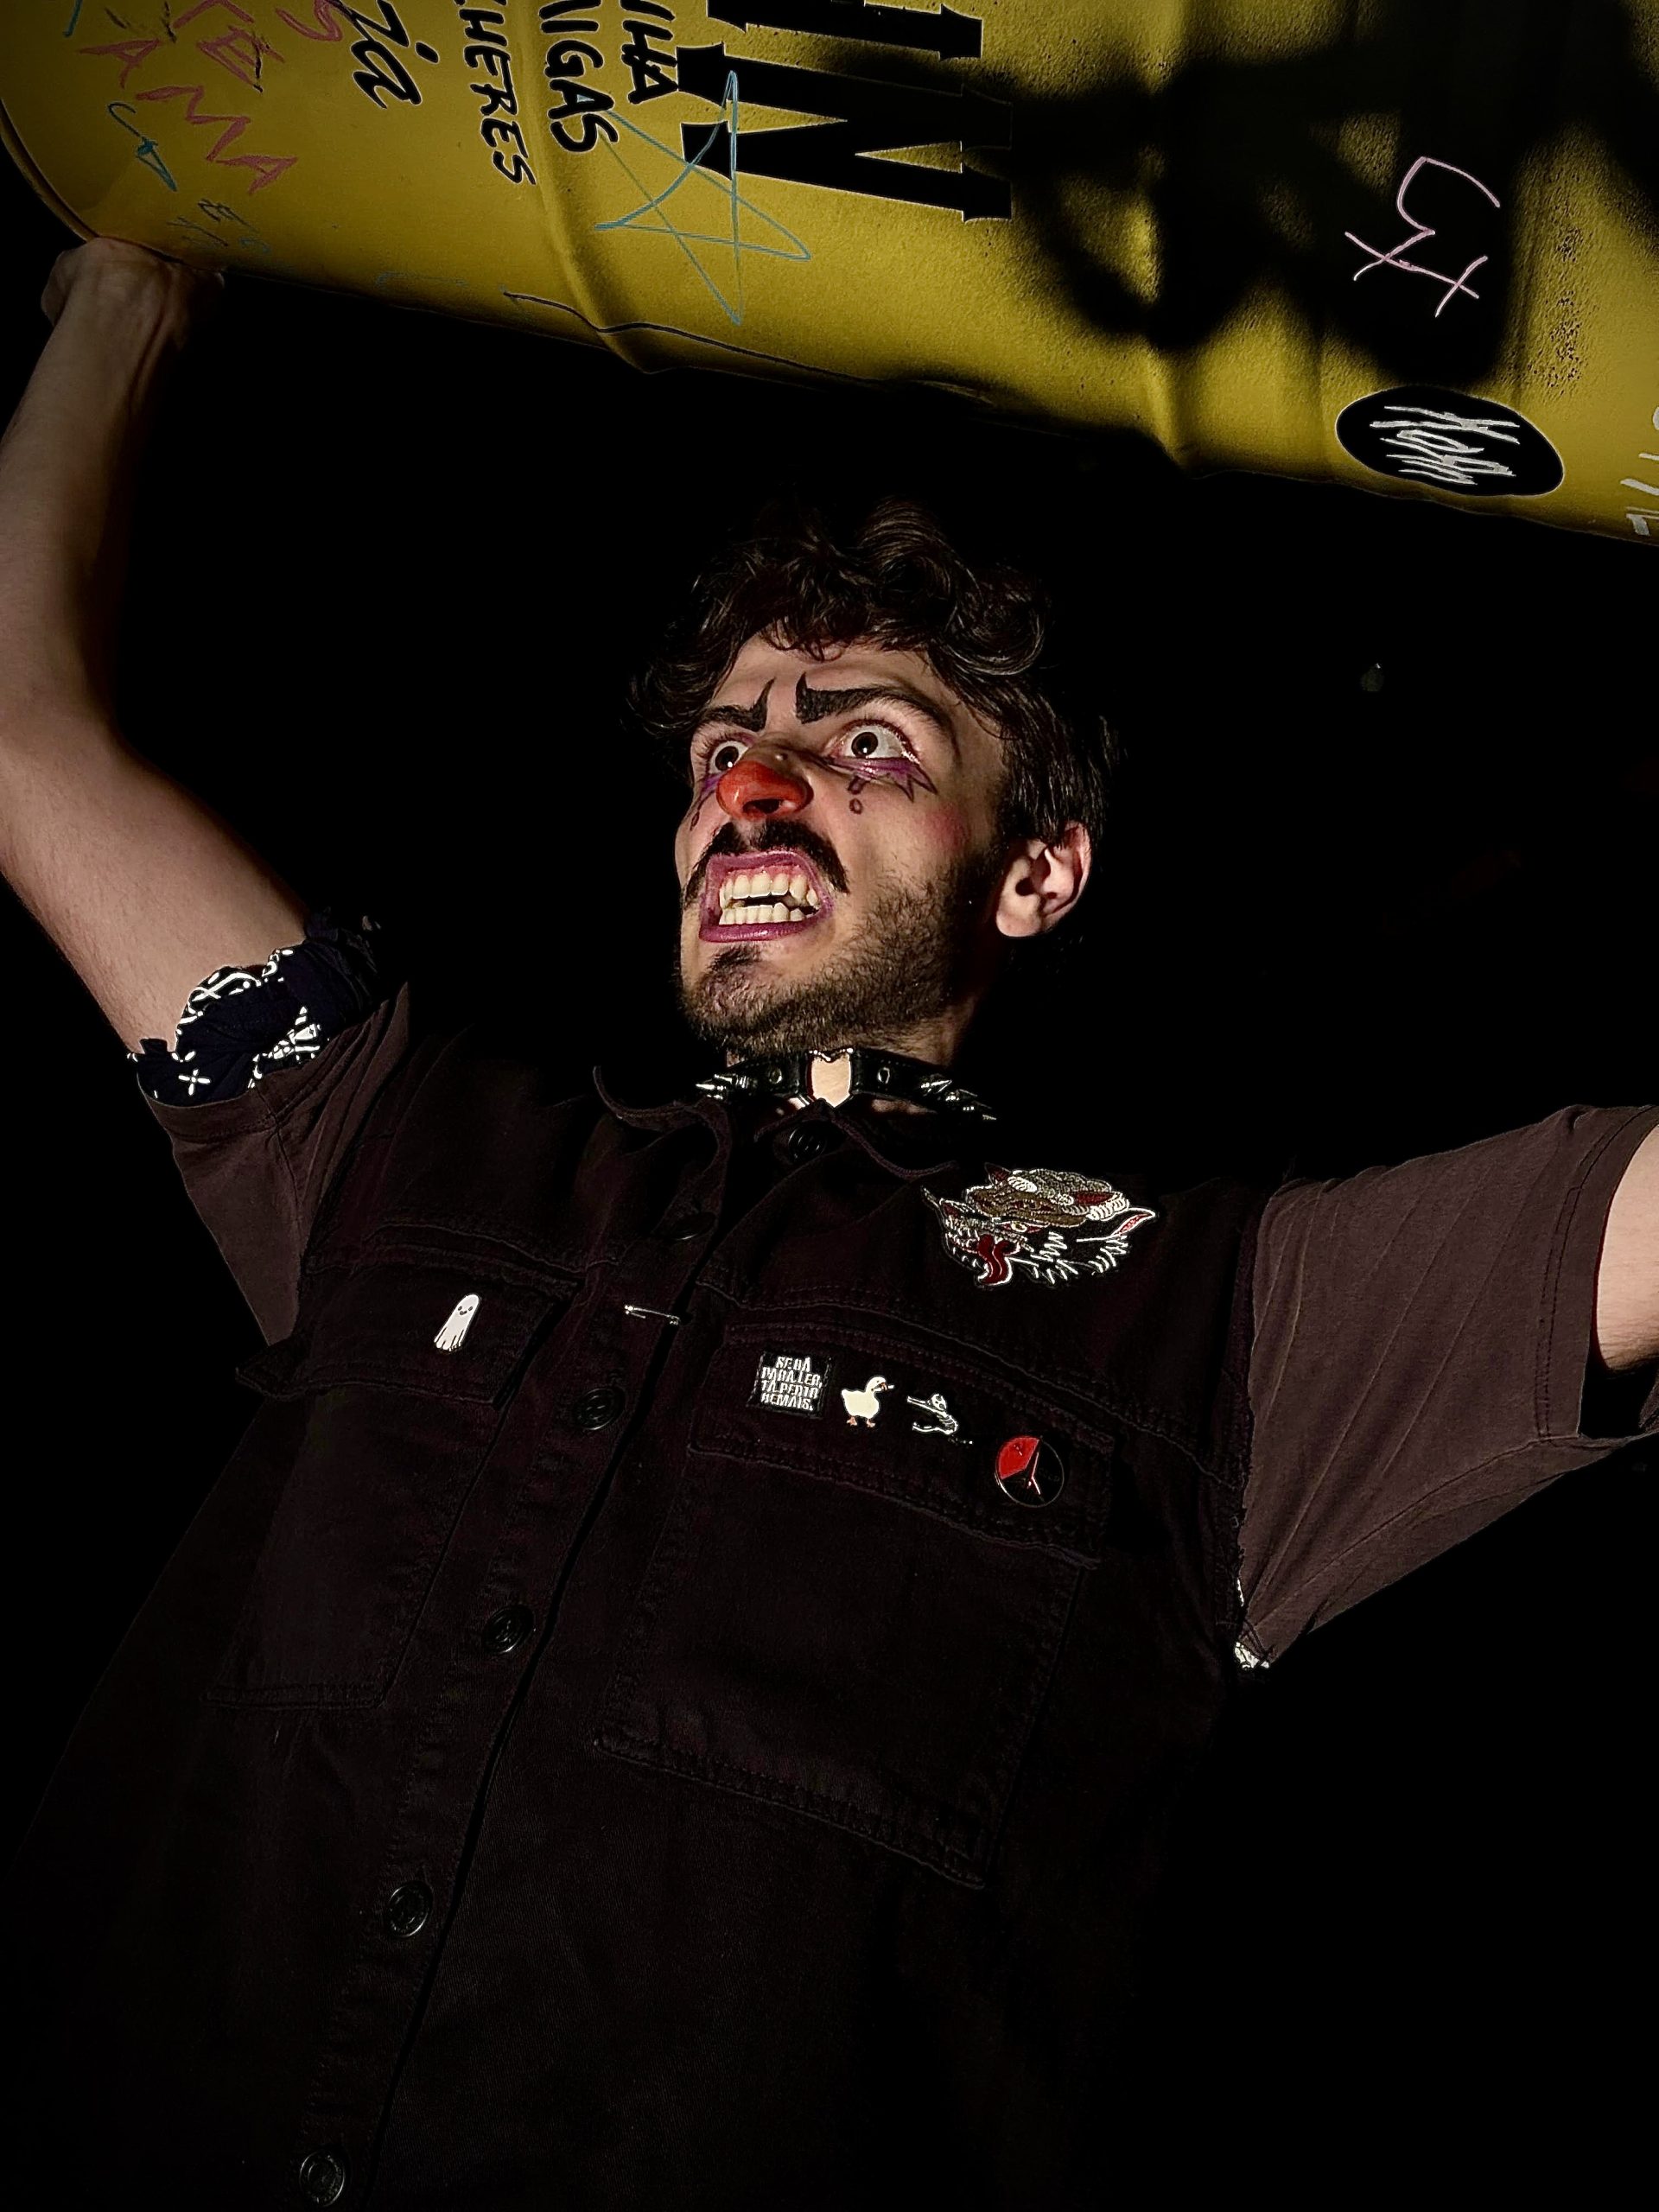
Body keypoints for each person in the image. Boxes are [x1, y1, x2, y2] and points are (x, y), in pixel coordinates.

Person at [2, 238, 1655, 2208]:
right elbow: (27, 745)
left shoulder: (1211, 1313)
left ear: (1037, 872)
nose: (757, 783)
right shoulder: (393, 1144)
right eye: (724, 747)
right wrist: (129, 299)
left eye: (867, 743)